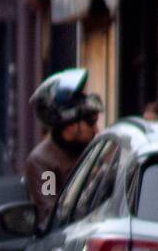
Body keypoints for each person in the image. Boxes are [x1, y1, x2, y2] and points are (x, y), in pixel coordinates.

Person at [24, 68, 103, 228]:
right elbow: (50, 214)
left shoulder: (96, 150)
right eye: (90, 121)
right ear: (71, 125)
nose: (96, 129)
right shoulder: (44, 163)